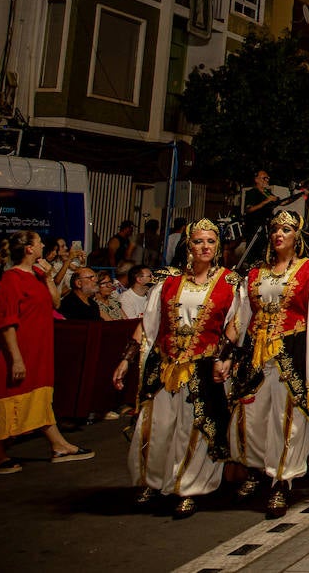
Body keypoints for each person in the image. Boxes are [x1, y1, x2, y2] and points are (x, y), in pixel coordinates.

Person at [111, 219, 241, 517]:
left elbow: (235, 325)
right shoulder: (167, 282)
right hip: (166, 366)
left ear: (218, 246)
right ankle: (151, 481)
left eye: (210, 241)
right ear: (189, 246)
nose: (205, 247)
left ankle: (189, 487)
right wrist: (125, 359)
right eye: (198, 241)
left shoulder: (230, 283)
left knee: (193, 431)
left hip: (203, 369)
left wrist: (223, 356)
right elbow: (149, 325)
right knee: (155, 427)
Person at [227, 210, 309, 518]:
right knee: (250, 415)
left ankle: (281, 479)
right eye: (275, 230)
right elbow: (241, 317)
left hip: (293, 350)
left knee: (287, 417)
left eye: (286, 230)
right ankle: (255, 469)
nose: (279, 235)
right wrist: (226, 355)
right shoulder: (253, 274)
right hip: (256, 353)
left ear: (296, 236)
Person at [0, 231, 95, 474]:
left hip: (39, 347)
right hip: (17, 348)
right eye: (38, 242)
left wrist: (48, 276)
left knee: (38, 397)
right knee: (5, 398)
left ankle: (58, 445)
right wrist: (16, 358)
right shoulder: (11, 279)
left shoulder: (37, 275)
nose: (42, 246)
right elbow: (6, 322)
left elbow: (55, 303)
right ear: (29, 249)